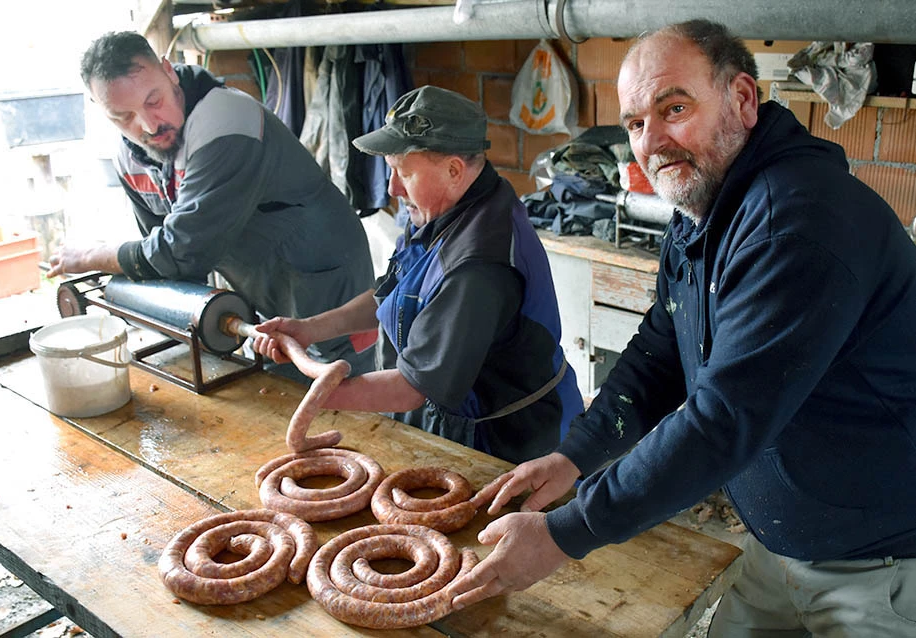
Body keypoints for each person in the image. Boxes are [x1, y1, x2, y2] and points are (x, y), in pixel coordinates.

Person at [449, 19, 916, 636]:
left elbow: (722, 419)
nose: (653, 141)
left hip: (876, 562)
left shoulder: (794, 224)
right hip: (781, 545)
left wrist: (567, 532)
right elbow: (660, 351)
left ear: (742, 101)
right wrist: (574, 456)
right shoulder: (704, 206)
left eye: (674, 108)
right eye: (636, 123)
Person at [252, 85, 584, 464]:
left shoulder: (479, 266)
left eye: (402, 173)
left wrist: (309, 394)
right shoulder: (447, 208)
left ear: (454, 170)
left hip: (510, 443)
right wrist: (309, 329)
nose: (393, 188)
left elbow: (412, 387)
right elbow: (392, 293)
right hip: (456, 420)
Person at [46, 31, 376, 374]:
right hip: (253, 277)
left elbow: (179, 252)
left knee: (340, 387)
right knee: (276, 385)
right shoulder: (129, 156)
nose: (147, 125)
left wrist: (90, 257)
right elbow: (164, 265)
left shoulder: (226, 122)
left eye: (153, 101)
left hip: (323, 276)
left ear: (169, 70)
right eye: (122, 117)